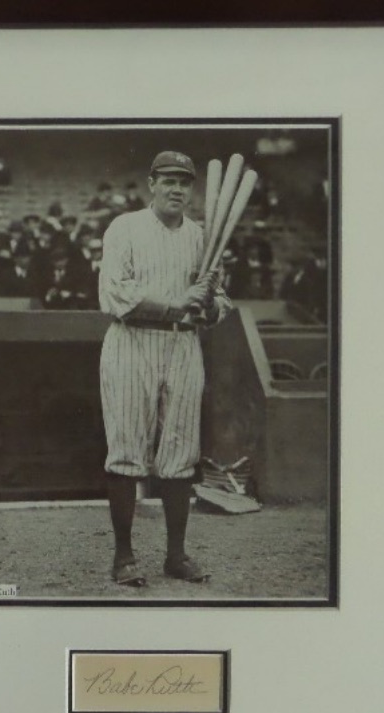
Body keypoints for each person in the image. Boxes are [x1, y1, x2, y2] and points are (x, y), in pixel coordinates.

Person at [98, 151, 231, 587]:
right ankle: (124, 557)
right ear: (151, 183)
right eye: (168, 180)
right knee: (126, 451)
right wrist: (177, 301)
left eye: (185, 182)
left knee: (180, 453)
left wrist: (208, 302)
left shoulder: (202, 237)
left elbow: (220, 305)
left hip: (183, 343)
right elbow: (116, 293)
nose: (177, 189)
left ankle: (176, 555)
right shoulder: (126, 227)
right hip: (132, 339)